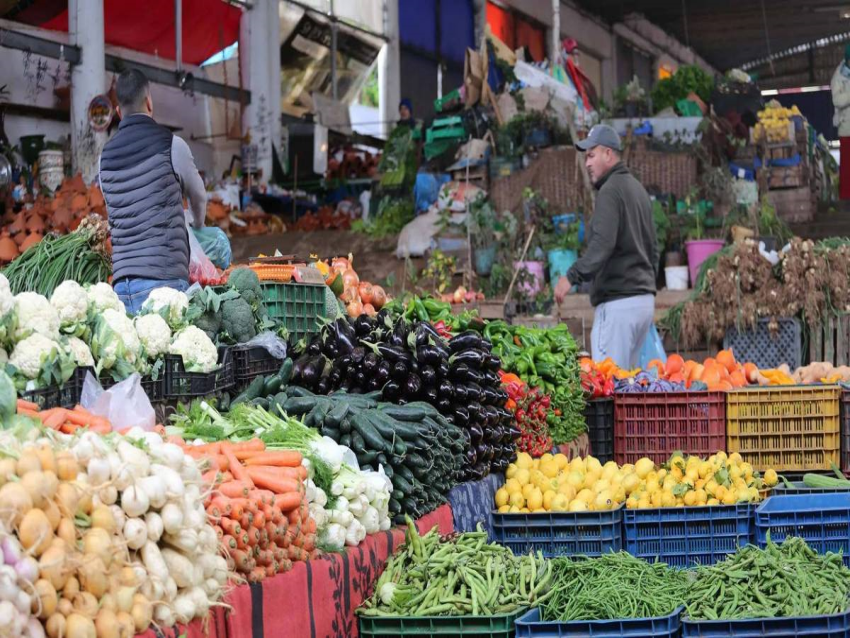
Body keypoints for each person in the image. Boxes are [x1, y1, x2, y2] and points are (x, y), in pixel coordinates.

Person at [98, 69, 206, 314]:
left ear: (117, 112)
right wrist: (198, 225)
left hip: (122, 288)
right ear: (149, 102)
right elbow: (198, 196)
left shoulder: (104, 159)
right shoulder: (172, 145)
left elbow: (114, 210)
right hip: (165, 282)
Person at [554, 124, 658, 369]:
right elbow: (654, 249)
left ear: (608, 154)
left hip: (618, 306)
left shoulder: (610, 192)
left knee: (607, 386)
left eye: (591, 155)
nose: (587, 163)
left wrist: (571, 276)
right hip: (643, 302)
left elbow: (602, 245)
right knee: (628, 390)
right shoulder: (638, 189)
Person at [831, 45, 850, 201]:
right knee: (847, 167)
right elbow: (837, 100)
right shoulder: (838, 77)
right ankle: (846, 199)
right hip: (846, 128)